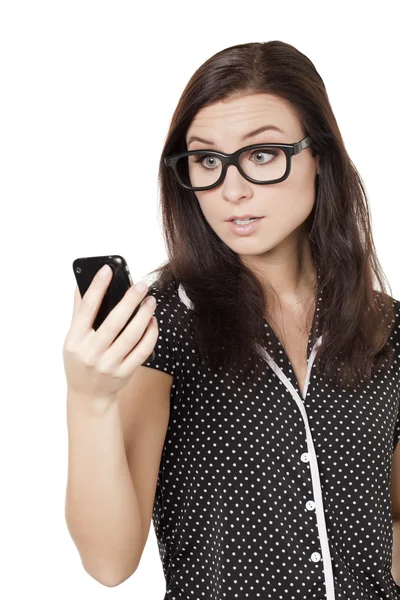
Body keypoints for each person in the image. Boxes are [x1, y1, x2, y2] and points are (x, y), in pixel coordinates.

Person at [64, 40, 400, 599]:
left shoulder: (387, 328)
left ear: (321, 155)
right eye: (207, 160)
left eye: (263, 154)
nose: (232, 189)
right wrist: (89, 398)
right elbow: (109, 560)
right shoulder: (159, 325)